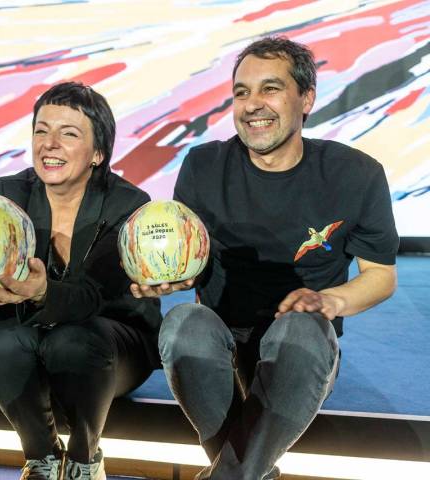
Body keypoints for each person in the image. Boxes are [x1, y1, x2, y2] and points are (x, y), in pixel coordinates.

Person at [132, 36, 399, 480]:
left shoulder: (357, 174)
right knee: (182, 323)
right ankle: (246, 473)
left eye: (270, 89)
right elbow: (187, 260)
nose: (252, 104)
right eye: (241, 92)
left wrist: (330, 302)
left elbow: (381, 276)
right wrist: (171, 279)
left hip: (302, 349)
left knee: (300, 326)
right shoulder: (202, 166)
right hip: (218, 348)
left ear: (306, 99)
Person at [0, 81, 162, 480]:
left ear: (98, 153)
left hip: (114, 341)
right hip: (35, 336)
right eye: (41, 130)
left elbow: (94, 296)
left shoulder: (129, 204)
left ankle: (86, 461)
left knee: (72, 341)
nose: (49, 144)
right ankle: (43, 460)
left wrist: (42, 290)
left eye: (68, 133)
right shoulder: (7, 194)